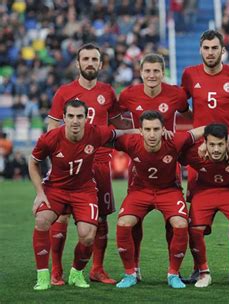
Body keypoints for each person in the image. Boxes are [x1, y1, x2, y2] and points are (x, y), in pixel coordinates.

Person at [29, 99, 131, 291]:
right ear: (64, 118)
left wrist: (143, 131)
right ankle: (42, 275)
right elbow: (33, 162)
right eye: (70, 116)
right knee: (42, 220)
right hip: (55, 189)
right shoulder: (50, 138)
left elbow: (121, 133)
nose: (75, 121)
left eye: (79, 117)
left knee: (88, 237)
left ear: (86, 118)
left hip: (84, 190)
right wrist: (39, 194)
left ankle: (76, 273)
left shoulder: (95, 132)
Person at [46, 43, 126, 285]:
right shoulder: (64, 92)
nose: (90, 63)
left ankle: (96, 269)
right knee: (60, 218)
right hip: (69, 165)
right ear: (78, 63)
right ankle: (56, 270)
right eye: (85, 59)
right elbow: (51, 129)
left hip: (99, 162)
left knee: (101, 219)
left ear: (100, 64)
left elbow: (116, 129)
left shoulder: (108, 92)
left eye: (94, 59)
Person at [181, 29, 229, 283]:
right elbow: (181, 105)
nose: (210, 52)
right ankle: (197, 267)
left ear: (222, 50)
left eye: (215, 48)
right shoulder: (190, 75)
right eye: (206, 48)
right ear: (200, 50)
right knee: (196, 219)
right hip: (200, 155)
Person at [118, 53, 192, 280]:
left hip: (169, 164)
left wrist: (175, 136)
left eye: (156, 71)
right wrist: (133, 132)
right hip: (139, 167)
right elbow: (115, 119)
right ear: (141, 72)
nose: (152, 75)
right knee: (133, 220)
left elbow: (189, 117)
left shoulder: (176, 94)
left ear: (163, 73)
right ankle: (135, 268)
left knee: (175, 223)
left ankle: (173, 272)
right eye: (147, 71)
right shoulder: (128, 95)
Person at [113, 110, 205, 289]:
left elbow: (203, 130)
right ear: (141, 130)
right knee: (124, 223)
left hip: (168, 191)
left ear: (164, 129)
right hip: (140, 191)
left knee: (180, 224)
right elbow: (105, 136)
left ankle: (173, 274)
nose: (152, 134)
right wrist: (128, 131)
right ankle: (130, 273)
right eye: (147, 129)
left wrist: (226, 138)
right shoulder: (131, 142)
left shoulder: (175, 141)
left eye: (156, 129)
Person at [180, 123, 229, 288]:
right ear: (205, 143)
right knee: (194, 230)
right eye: (212, 144)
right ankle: (203, 273)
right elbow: (177, 149)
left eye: (221, 144)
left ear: (227, 142)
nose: (216, 149)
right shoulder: (194, 153)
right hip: (205, 190)